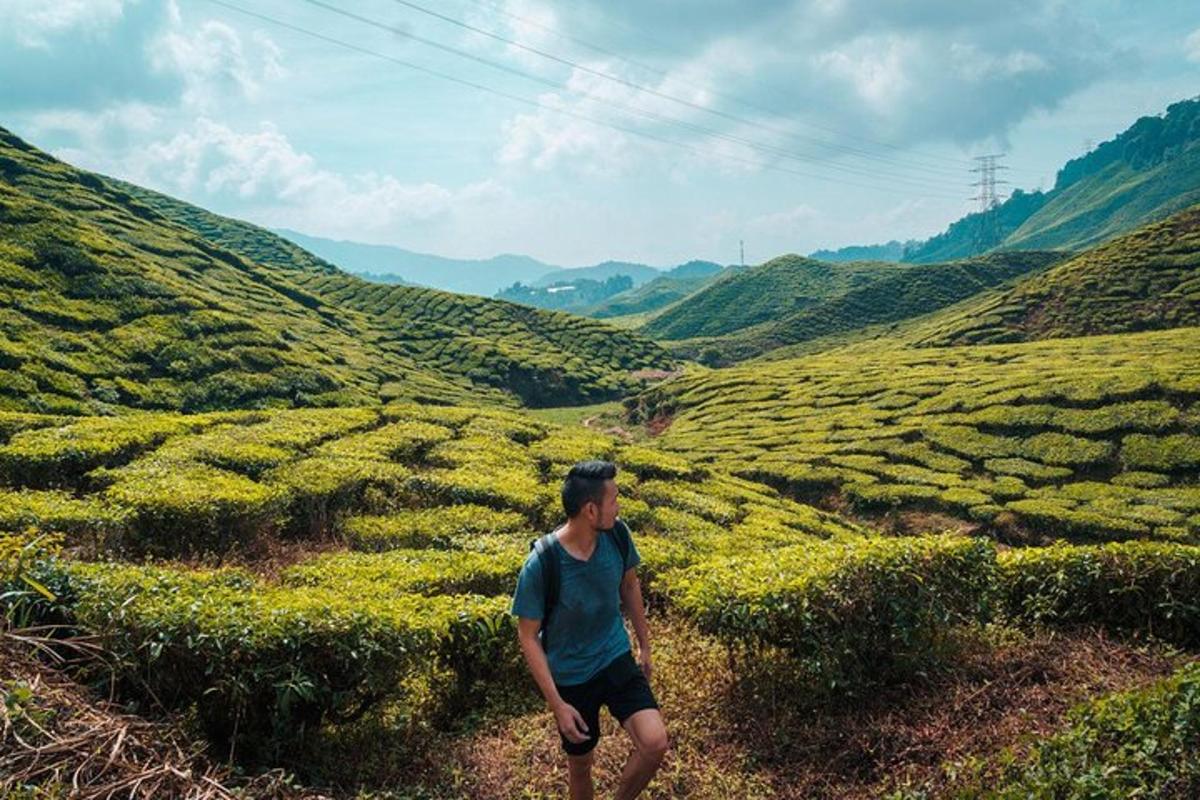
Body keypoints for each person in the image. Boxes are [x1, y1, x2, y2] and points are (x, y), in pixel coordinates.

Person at [511, 460, 668, 800]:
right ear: (591, 510)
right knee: (581, 765)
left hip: (614, 656)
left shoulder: (617, 535)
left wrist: (645, 646)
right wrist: (557, 704)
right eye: (614, 499)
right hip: (571, 675)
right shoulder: (543, 563)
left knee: (655, 743)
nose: (620, 506)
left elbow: (629, 586)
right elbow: (528, 635)